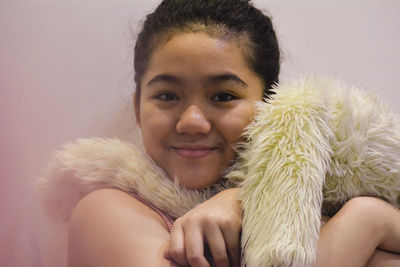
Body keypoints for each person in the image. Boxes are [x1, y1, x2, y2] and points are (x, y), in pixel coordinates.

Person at [66, 0, 400, 266]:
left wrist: (246, 202)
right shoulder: (107, 211)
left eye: (223, 96)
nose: (192, 122)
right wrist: (364, 224)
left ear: (270, 104)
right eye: (167, 96)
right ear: (139, 106)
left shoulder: (315, 198)